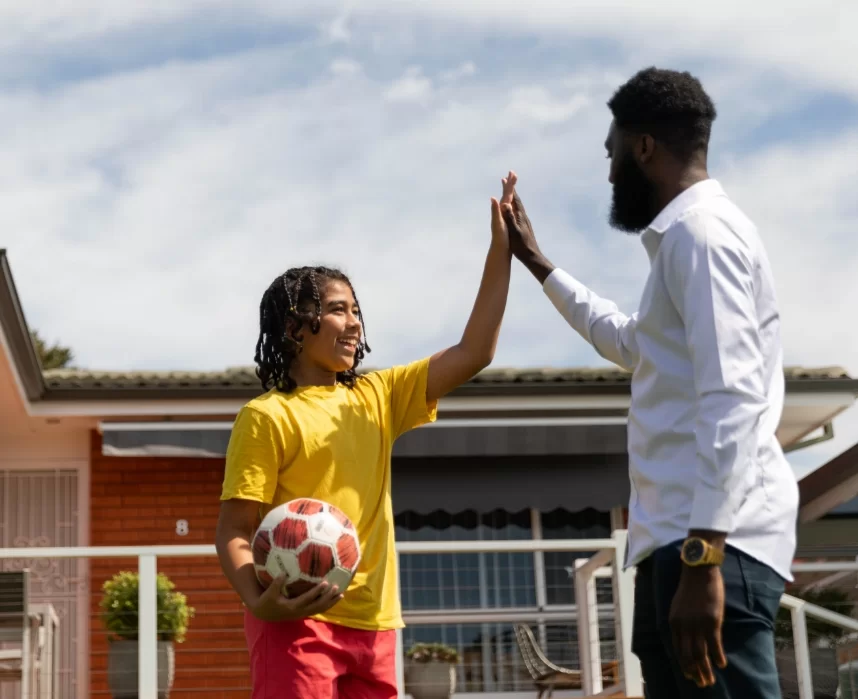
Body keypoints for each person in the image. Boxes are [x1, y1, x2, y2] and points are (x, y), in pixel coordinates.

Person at [501, 67, 796, 698]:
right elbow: (632, 343)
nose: (608, 174)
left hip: (715, 546)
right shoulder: (683, 243)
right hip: (679, 545)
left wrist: (705, 555)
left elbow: (734, 395)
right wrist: (539, 263)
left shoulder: (703, 236)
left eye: (611, 152)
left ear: (642, 148)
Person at [214, 173, 517, 698]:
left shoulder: (379, 395)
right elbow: (234, 531)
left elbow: (475, 352)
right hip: (295, 621)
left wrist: (503, 250)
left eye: (356, 310)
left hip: (376, 625)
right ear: (294, 328)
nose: (353, 322)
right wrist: (256, 599)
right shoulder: (266, 417)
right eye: (337, 309)